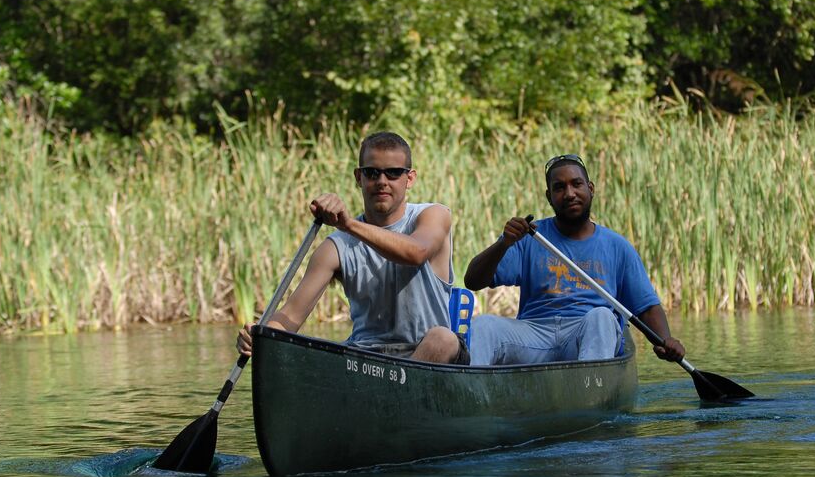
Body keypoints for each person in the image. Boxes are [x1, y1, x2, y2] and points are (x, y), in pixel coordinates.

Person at [237, 131, 468, 364]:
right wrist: (260, 335)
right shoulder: (335, 247)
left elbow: (416, 252)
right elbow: (291, 316)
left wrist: (348, 224)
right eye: (372, 173)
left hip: (429, 355)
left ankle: (394, 396)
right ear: (359, 177)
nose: (382, 181)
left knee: (444, 339)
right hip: (364, 360)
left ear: (409, 179)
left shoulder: (433, 215)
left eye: (394, 173)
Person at [463, 153, 685, 366]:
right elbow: (472, 281)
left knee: (602, 317)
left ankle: (592, 398)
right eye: (559, 188)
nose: (569, 194)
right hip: (534, 334)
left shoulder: (617, 246)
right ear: (549, 197)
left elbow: (646, 307)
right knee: (484, 325)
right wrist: (504, 243)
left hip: (586, 333)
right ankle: (472, 397)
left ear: (590, 189)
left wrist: (665, 340)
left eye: (576, 184)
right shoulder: (527, 236)